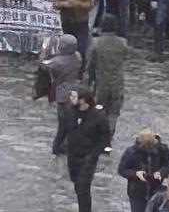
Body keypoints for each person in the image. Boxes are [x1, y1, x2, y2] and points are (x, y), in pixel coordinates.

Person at [65, 87, 111, 212]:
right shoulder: (70, 112)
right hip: (73, 156)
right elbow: (64, 129)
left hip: (88, 157)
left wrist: (95, 153)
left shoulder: (97, 116)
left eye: (74, 97)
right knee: (77, 185)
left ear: (83, 99)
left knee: (83, 186)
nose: (71, 99)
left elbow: (106, 136)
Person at [86, 15, 127, 150]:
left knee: (99, 110)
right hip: (117, 84)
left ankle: (97, 137)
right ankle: (108, 140)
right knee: (113, 113)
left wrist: (88, 81)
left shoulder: (96, 43)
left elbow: (91, 65)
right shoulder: (123, 43)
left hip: (101, 84)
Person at [42, 33, 83, 156]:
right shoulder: (77, 57)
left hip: (63, 92)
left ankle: (58, 146)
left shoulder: (59, 62)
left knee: (63, 123)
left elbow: (44, 65)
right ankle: (65, 145)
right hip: (74, 90)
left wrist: (45, 53)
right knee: (71, 121)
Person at [116, 129, 169, 212]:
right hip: (136, 191)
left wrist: (161, 173)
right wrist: (135, 174)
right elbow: (122, 169)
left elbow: (168, 164)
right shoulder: (131, 152)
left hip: (156, 188)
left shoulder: (162, 150)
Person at [54, 0, 95, 65]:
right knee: (67, 48)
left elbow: (90, 4)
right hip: (67, 21)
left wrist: (78, 4)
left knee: (82, 48)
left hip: (81, 21)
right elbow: (55, 4)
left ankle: (81, 68)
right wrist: (64, 4)